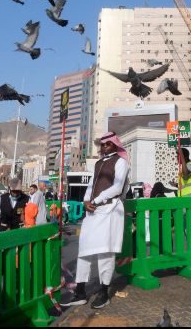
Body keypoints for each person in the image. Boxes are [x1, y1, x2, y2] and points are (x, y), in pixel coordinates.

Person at [65, 132, 130, 309]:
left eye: (107, 144)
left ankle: (104, 293)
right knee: (84, 252)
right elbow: (91, 185)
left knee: (105, 254)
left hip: (110, 210)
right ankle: (80, 293)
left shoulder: (121, 162)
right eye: (102, 144)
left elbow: (117, 186)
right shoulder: (98, 163)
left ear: (115, 145)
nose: (103, 147)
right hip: (93, 212)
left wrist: (95, 200)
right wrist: (86, 201)